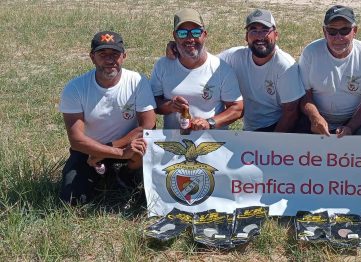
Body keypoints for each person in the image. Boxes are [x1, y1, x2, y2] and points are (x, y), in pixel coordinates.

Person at [59, 31, 157, 205]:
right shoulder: (75, 88)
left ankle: (126, 175)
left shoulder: (137, 81)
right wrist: (118, 153)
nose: (109, 60)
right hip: (90, 150)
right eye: (102, 54)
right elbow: (76, 140)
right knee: (72, 199)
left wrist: (114, 148)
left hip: (129, 146)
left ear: (124, 56)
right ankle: (103, 174)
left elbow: (148, 126)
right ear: (92, 57)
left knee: (149, 190)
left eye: (115, 54)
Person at [298, 5, 361, 137]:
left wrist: (351, 127)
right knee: (296, 133)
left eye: (344, 30)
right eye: (332, 31)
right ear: (324, 32)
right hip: (316, 116)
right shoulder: (311, 52)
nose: (338, 37)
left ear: (354, 31)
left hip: (353, 118)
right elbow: (304, 95)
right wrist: (315, 116)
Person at [152, 8, 243, 131]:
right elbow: (152, 104)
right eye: (183, 33)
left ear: (204, 34)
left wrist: (210, 123)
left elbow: (237, 108)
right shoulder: (162, 65)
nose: (190, 39)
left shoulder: (221, 69)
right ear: (175, 36)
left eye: (195, 32)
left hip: (212, 144)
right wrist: (170, 106)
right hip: (173, 144)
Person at [218, 9, 304, 132]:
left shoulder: (285, 65)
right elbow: (207, 64)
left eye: (265, 30)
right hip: (251, 129)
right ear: (246, 37)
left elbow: (291, 114)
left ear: (276, 34)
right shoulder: (235, 56)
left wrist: (269, 144)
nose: (259, 36)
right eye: (253, 30)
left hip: (279, 126)